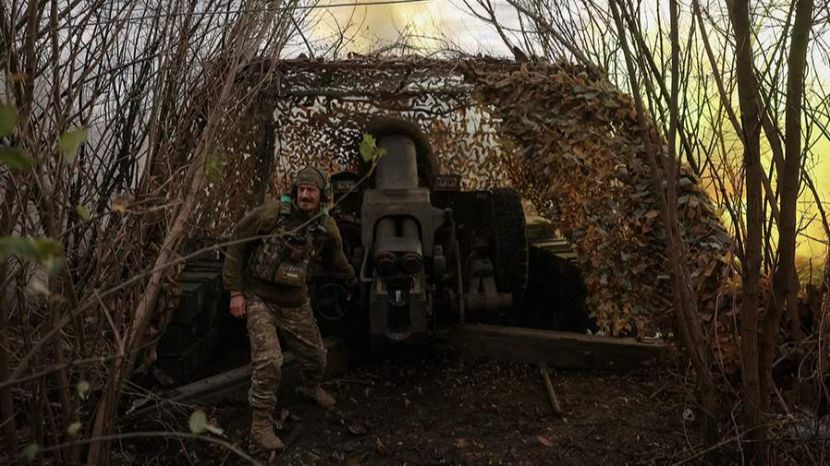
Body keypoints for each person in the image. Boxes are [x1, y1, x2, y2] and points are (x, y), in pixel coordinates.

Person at [222, 166, 356, 451]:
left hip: (295, 303)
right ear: (294, 192)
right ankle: (260, 425)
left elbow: (337, 258)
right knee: (270, 361)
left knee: (317, 357)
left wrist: (354, 280)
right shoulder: (271, 215)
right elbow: (236, 243)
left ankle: (310, 388)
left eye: (311, 191)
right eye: (301, 190)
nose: (305, 195)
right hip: (260, 298)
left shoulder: (326, 226)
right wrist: (236, 293)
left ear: (321, 196)